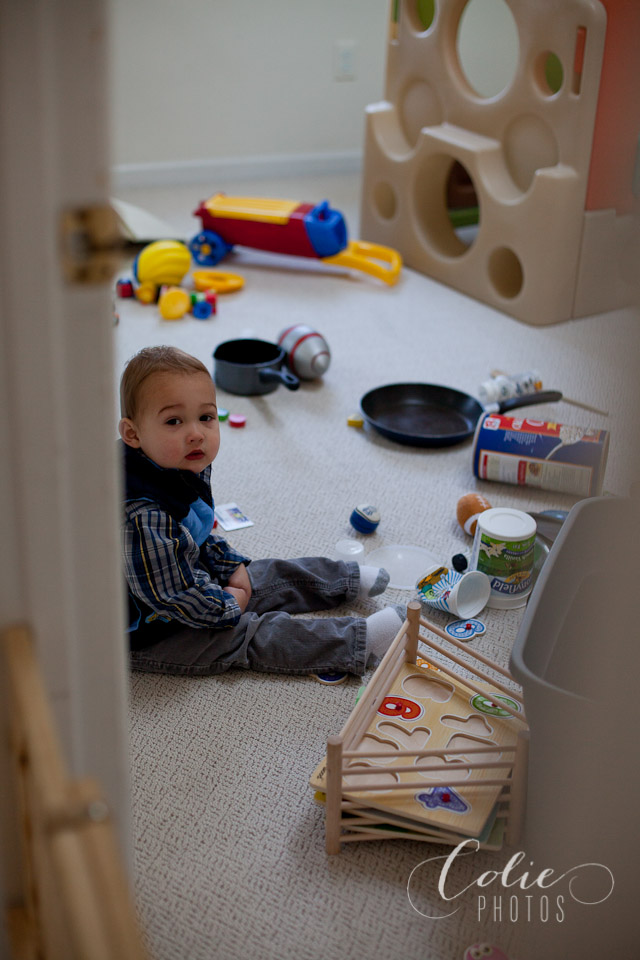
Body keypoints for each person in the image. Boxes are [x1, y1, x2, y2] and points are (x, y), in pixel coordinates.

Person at [119, 345, 404, 678]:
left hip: (181, 573)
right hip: (153, 629)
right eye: (173, 421)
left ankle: (343, 580)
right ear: (133, 434)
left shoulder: (173, 462)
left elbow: (194, 533)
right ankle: (356, 642)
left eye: (206, 417)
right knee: (247, 634)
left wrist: (230, 565)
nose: (196, 434)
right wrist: (230, 605)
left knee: (260, 574)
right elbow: (173, 596)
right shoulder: (142, 515)